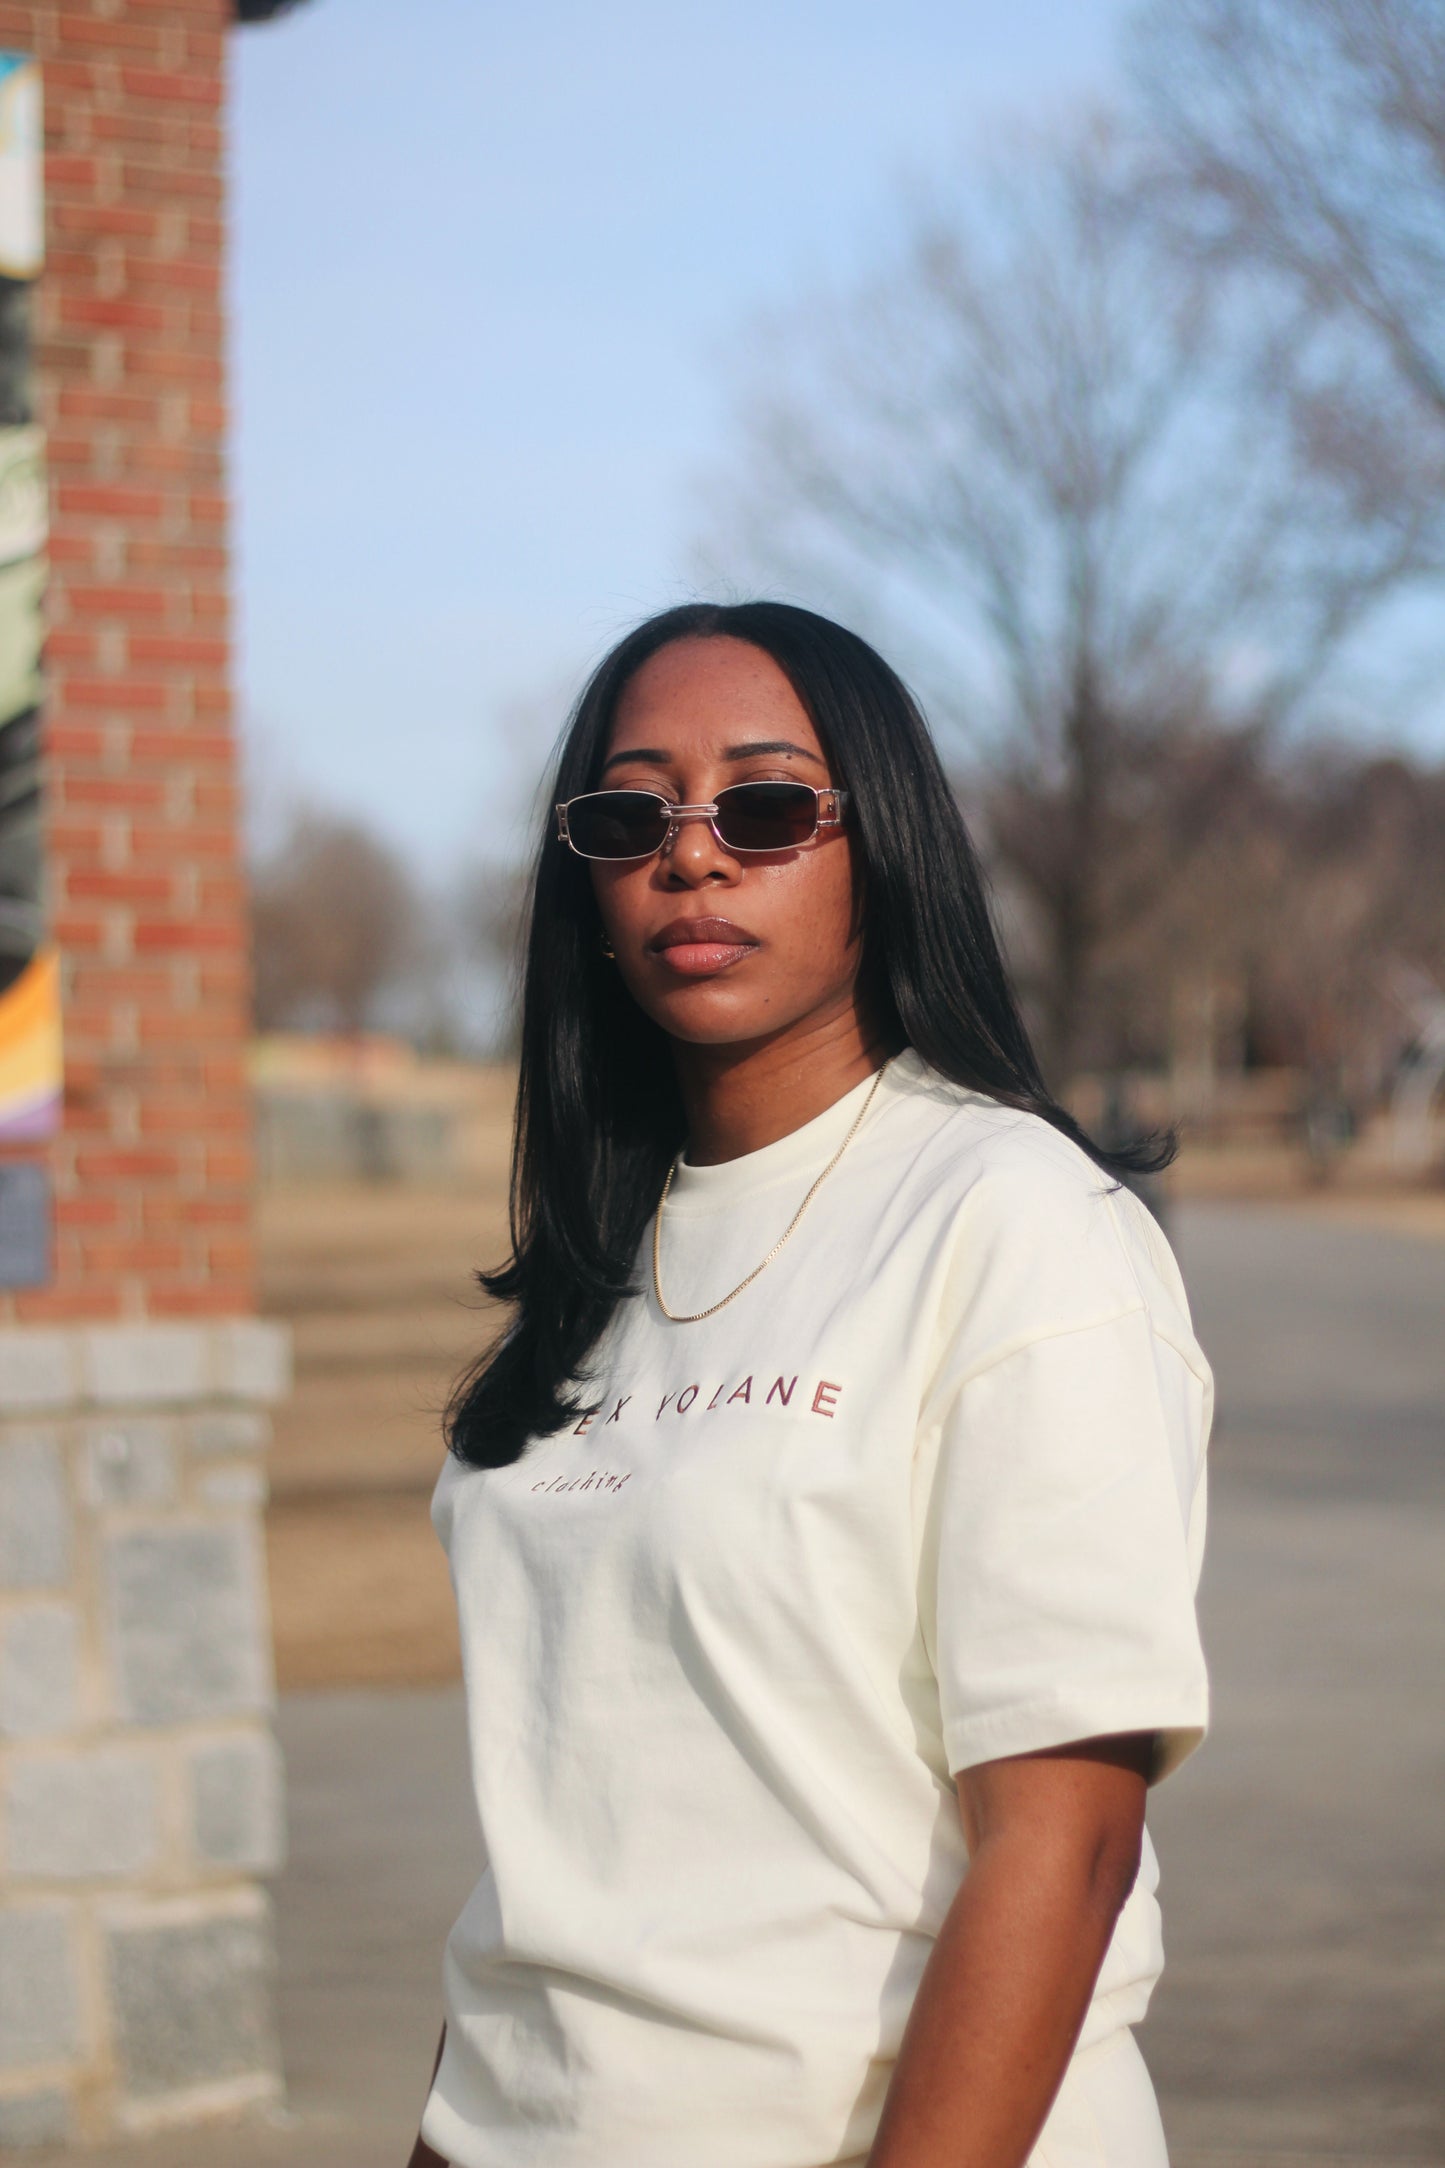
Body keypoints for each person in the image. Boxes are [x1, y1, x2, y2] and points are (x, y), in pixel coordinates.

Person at [409, 601, 1211, 2168]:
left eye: (766, 806)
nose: (690, 856)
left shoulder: (1010, 1219)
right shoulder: (599, 1262)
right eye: (630, 813)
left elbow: (1065, 1845)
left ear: (881, 847)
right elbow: (555, 1842)